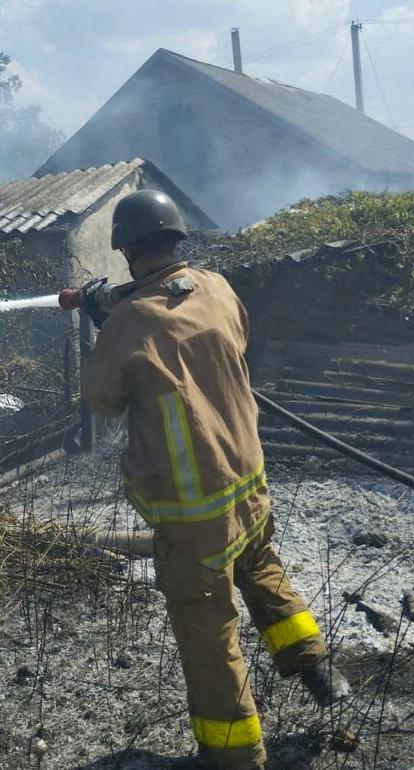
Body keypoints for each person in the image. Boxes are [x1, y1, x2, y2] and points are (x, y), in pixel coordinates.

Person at [82, 190, 350, 770]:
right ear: (178, 239)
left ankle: (232, 757)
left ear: (127, 249)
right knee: (261, 567)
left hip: (191, 506)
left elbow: (103, 400)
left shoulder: (128, 322)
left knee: (207, 631)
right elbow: (211, 340)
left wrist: (103, 324)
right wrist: (120, 315)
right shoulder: (218, 288)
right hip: (247, 479)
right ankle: (316, 666)